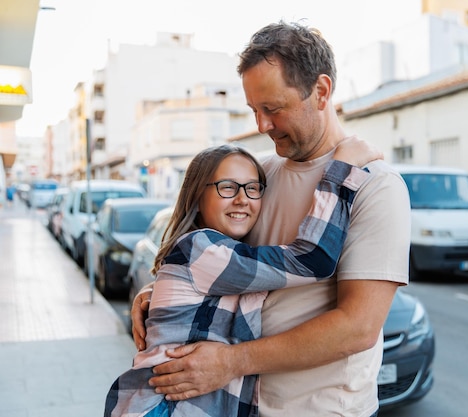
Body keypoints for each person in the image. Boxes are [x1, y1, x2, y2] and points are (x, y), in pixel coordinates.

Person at [131, 20, 411, 417]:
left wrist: (231, 362)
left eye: (273, 109)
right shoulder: (255, 176)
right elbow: (209, 253)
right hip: (238, 405)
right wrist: (159, 294)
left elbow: (358, 327)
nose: (261, 126)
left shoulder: (375, 186)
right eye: (254, 110)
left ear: (321, 91)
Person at [107, 142, 377, 417]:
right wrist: (341, 170)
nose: (242, 199)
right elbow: (313, 259)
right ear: (198, 195)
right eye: (227, 187)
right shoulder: (201, 248)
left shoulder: (221, 254)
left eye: (252, 188)